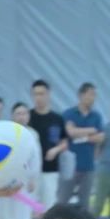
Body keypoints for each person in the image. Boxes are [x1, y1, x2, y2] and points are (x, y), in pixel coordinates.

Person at [61, 83, 103, 206]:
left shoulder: (96, 116)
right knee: (63, 201)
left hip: (88, 166)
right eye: (90, 94)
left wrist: (79, 134)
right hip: (70, 166)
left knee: (84, 203)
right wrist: (91, 130)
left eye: (94, 95)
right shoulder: (68, 114)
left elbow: (101, 137)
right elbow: (70, 132)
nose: (93, 98)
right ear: (81, 95)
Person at [28, 80, 67, 210]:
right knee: (28, 207)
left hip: (50, 170)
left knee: (48, 206)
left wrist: (56, 150)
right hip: (30, 173)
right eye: (35, 94)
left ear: (48, 94)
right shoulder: (28, 117)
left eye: (41, 94)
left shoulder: (57, 118)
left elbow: (65, 142)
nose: (38, 97)